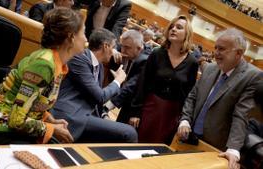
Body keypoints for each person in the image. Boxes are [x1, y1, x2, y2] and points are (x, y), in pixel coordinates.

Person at [0, 7, 87, 145]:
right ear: (71, 37)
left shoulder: (58, 64)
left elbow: (32, 103)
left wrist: (49, 118)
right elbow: (16, 121)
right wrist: (52, 129)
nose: (86, 39)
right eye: (83, 33)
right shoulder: (44, 64)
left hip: (12, 131)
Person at [177, 28, 262, 169]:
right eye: (215, 47)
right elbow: (192, 97)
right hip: (188, 138)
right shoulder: (210, 68)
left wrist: (233, 149)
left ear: (239, 53)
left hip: (216, 148)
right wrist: (185, 120)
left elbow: (241, 115)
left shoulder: (252, 76)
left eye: (221, 49)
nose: (215, 53)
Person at [51, 28, 138, 143]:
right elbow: (100, 96)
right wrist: (118, 80)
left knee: (120, 132)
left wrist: (103, 114)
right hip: (70, 115)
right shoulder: (79, 58)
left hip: (86, 114)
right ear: (106, 46)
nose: (113, 52)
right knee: (129, 133)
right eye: (113, 48)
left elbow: (94, 97)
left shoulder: (100, 66)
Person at [130, 15, 199, 144]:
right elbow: (142, 83)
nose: (173, 29)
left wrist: (183, 119)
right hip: (150, 108)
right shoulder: (157, 53)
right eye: (172, 26)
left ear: (187, 34)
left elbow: (189, 94)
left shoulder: (192, 62)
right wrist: (136, 112)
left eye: (179, 27)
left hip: (172, 115)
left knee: (158, 152)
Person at [102, 30, 151, 123]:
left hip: (136, 105)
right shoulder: (128, 46)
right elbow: (117, 45)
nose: (123, 50)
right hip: (125, 96)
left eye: (127, 47)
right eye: (122, 46)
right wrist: (113, 50)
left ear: (139, 48)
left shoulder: (146, 61)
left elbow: (131, 86)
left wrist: (108, 106)